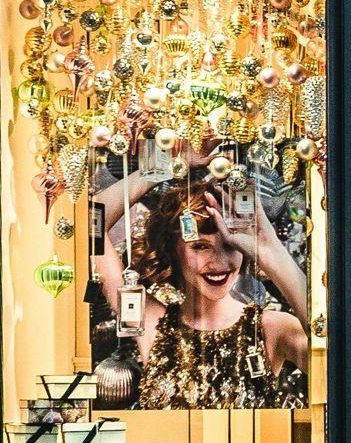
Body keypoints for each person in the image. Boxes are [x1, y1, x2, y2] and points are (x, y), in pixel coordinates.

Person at [90, 172, 312, 409]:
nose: (219, 262)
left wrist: (269, 248)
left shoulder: (273, 329)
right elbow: (92, 221)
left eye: (230, 245)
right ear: (173, 249)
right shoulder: (152, 323)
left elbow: (334, 360)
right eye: (200, 246)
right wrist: (165, 165)